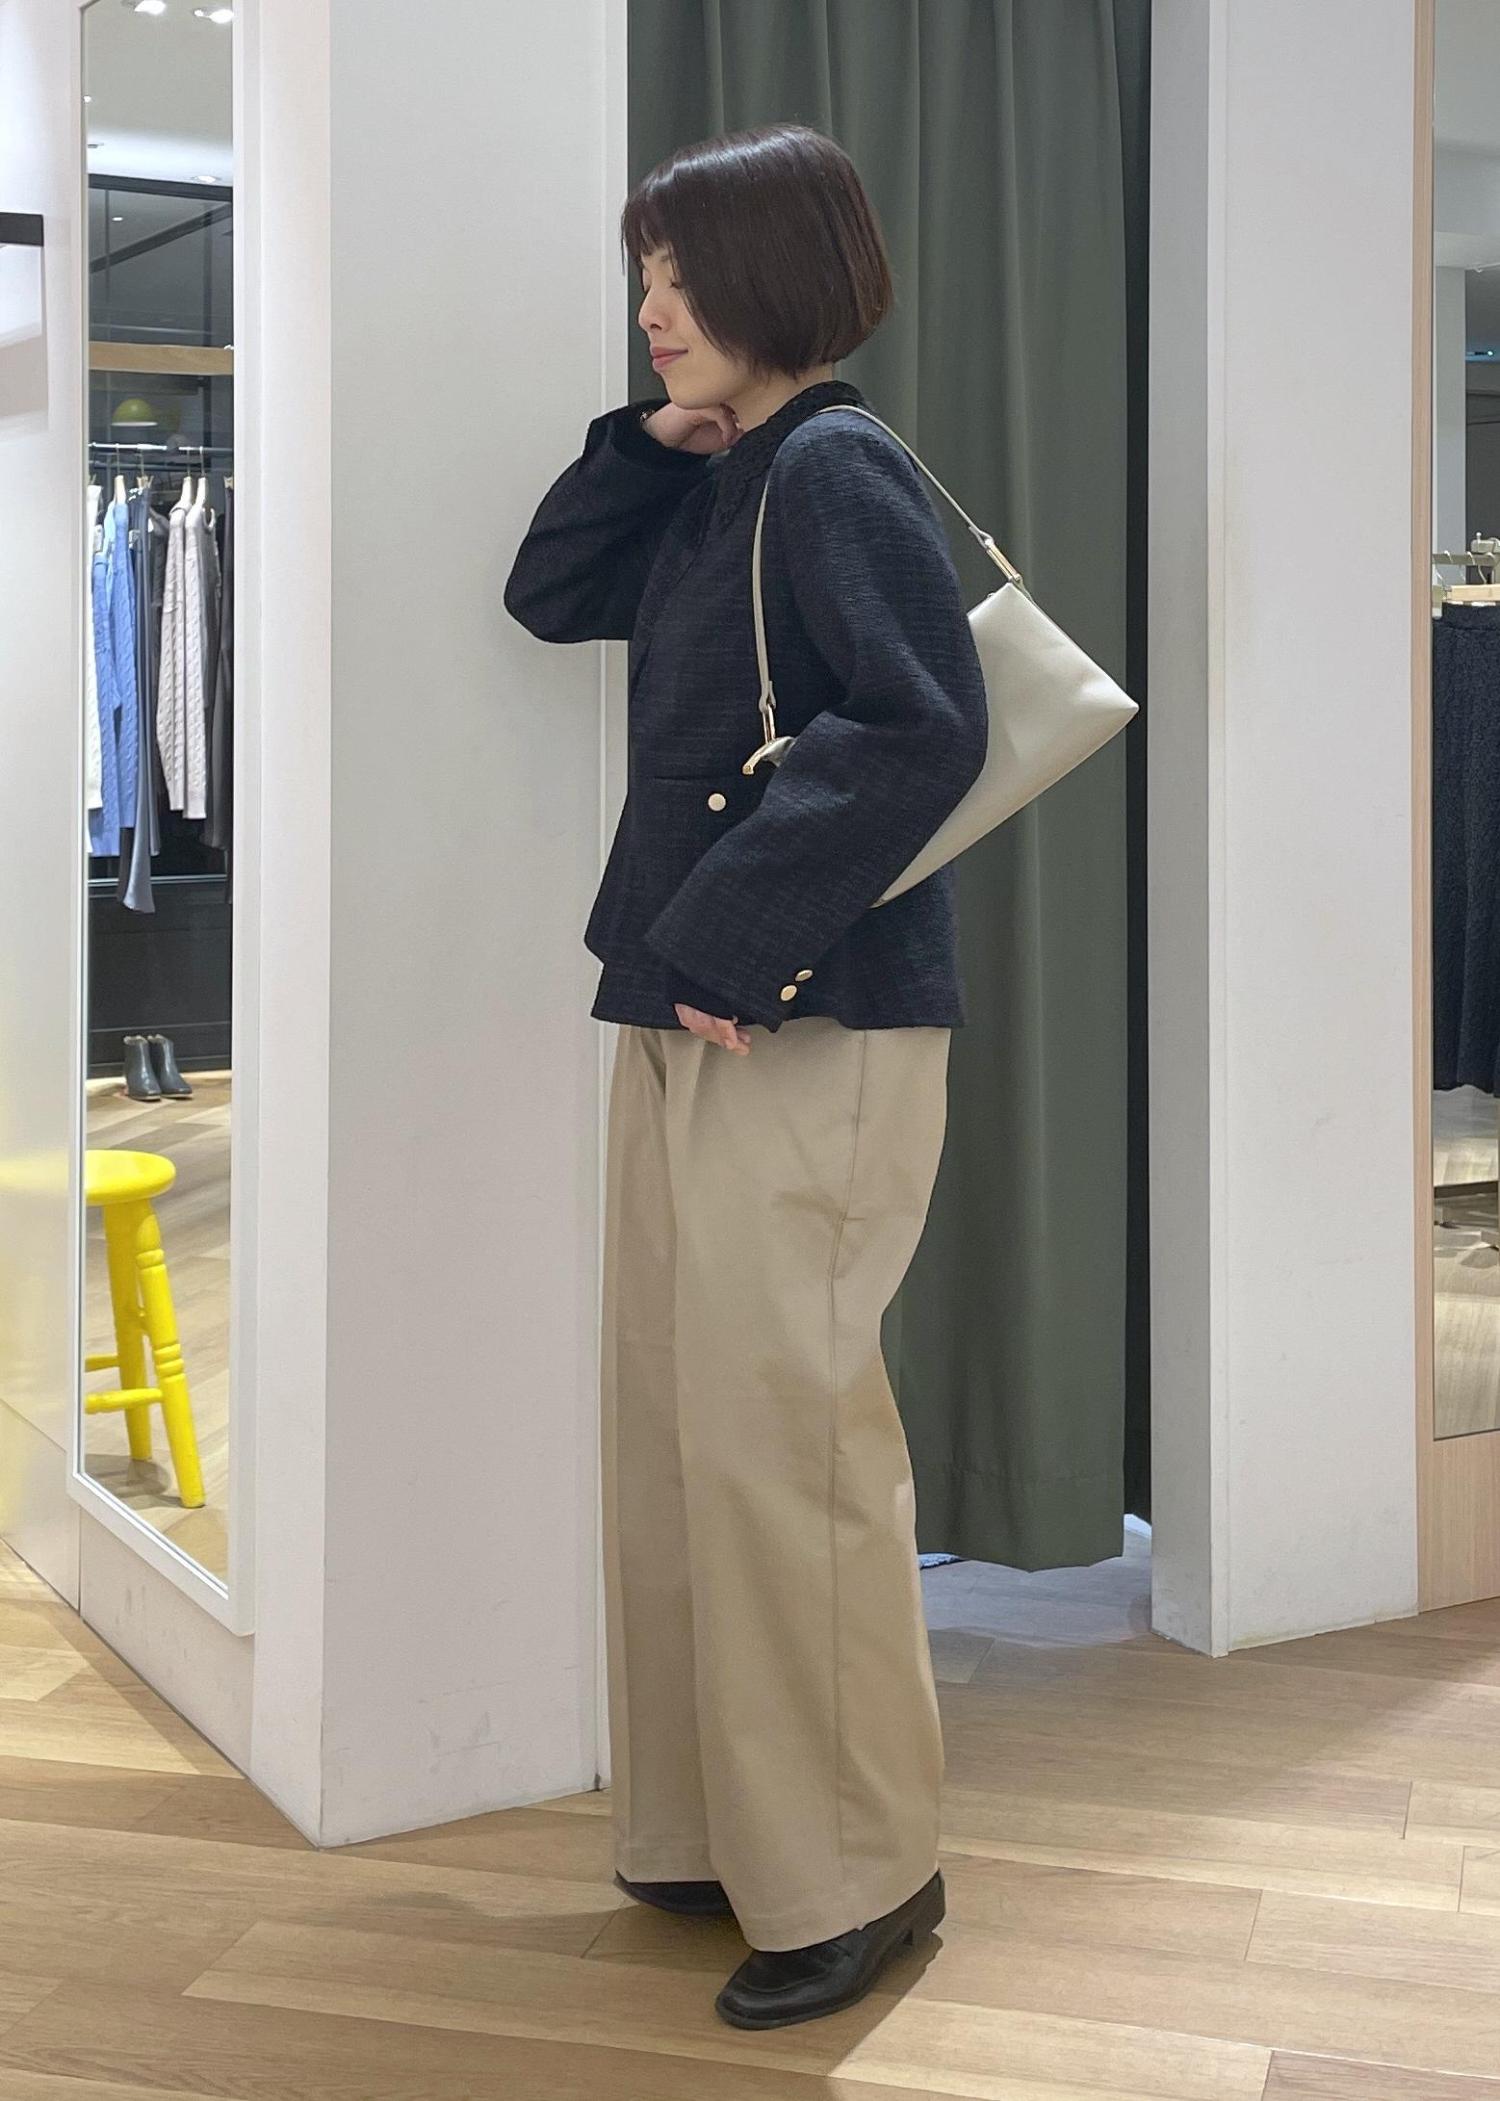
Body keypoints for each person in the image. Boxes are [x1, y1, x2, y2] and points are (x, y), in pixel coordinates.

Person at [504, 120, 987, 2032]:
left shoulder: (839, 467)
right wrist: (655, 438)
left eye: (683, 277)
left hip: (806, 1019)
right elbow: (551, 591)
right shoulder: (733, 472)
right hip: (698, 1006)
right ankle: (718, 1828)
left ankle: (865, 1871)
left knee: (788, 1446)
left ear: (779, 271)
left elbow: (922, 724)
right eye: (645, 279)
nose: (654, 308)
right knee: (682, 1434)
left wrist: (731, 940)